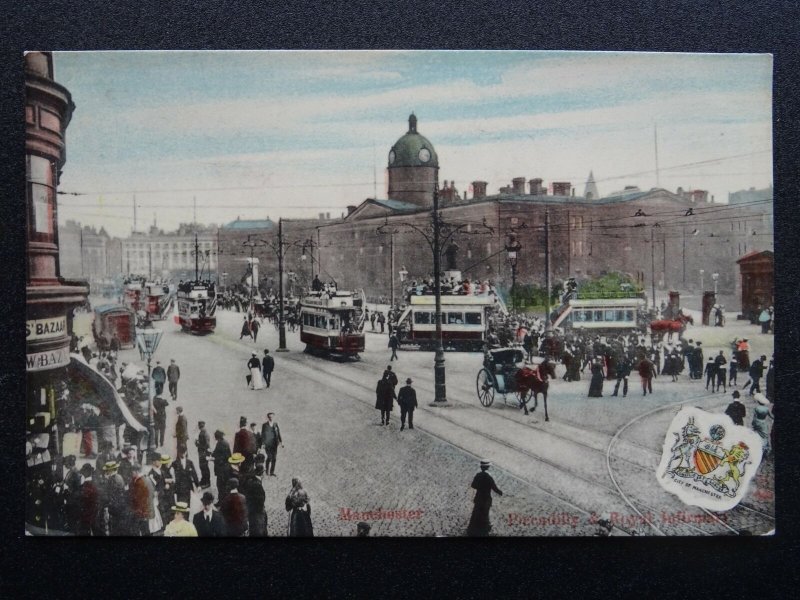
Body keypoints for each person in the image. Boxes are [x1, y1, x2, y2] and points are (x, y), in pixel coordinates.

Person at [466, 459, 503, 537]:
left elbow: (473, 485)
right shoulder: (489, 476)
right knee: (485, 512)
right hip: (486, 497)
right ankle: (485, 526)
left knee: (477, 511)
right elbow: (494, 487)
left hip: (479, 496)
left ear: (481, 467)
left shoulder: (478, 475)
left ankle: (475, 526)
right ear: (488, 467)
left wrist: (480, 486)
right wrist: (501, 493)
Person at [129, 464, 151, 536]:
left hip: (141, 510)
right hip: (140, 510)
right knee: (142, 529)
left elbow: (139, 498)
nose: (131, 473)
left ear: (136, 471)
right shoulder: (137, 480)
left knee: (143, 529)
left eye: (132, 472)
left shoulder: (141, 482)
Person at [261, 412, 283, 477]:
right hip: (268, 444)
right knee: (269, 457)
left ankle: (272, 472)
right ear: (268, 417)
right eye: (269, 417)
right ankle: (267, 471)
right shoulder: (265, 425)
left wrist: (281, 442)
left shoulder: (275, 424)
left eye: (272, 417)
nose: (271, 418)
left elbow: (278, 433)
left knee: (274, 458)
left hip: (274, 444)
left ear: (273, 417)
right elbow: (263, 435)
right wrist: (263, 443)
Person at [212, 430, 232, 497]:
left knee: (220, 485)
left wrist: (213, 459)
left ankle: (221, 501)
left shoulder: (221, 444)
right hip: (224, 468)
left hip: (223, 469)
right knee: (221, 485)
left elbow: (224, 457)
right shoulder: (222, 442)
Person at [195, 421, 212, 488]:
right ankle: (203, 479)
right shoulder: (204, 432)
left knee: (204, 467)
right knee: (202, 467)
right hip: (203, 452)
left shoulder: (203, 433)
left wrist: (197, 443)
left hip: (203, 453)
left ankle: (207, 482)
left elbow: (206, 445)